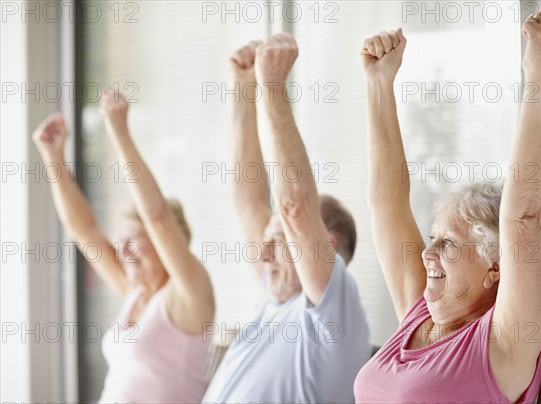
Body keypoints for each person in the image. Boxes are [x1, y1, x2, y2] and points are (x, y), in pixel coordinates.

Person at [354, 9, 541, 403]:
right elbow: (387, 203)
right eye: (434, 238)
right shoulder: (419, 312)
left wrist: (538, 72)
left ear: (496, 265)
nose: (427, 252)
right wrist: (379, 84)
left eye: (448, 243)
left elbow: (523, 219)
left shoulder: (504, 342)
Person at [202, 35, 371, 403]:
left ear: (325, 248)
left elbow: (295, 206)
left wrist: (273, 86)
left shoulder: (334, 313)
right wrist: (244, 89)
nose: (263, 256)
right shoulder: (275, 298)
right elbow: (248, 201)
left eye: (279, 242)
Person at [32, 92, 215, 403]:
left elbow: (157, 217)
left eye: (134, 240)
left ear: (164, 244)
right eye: (121, 241)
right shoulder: (136, 293)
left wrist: (119, 132)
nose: (123, 251)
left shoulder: (188, 296)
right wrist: (53, 157)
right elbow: (85, 231)